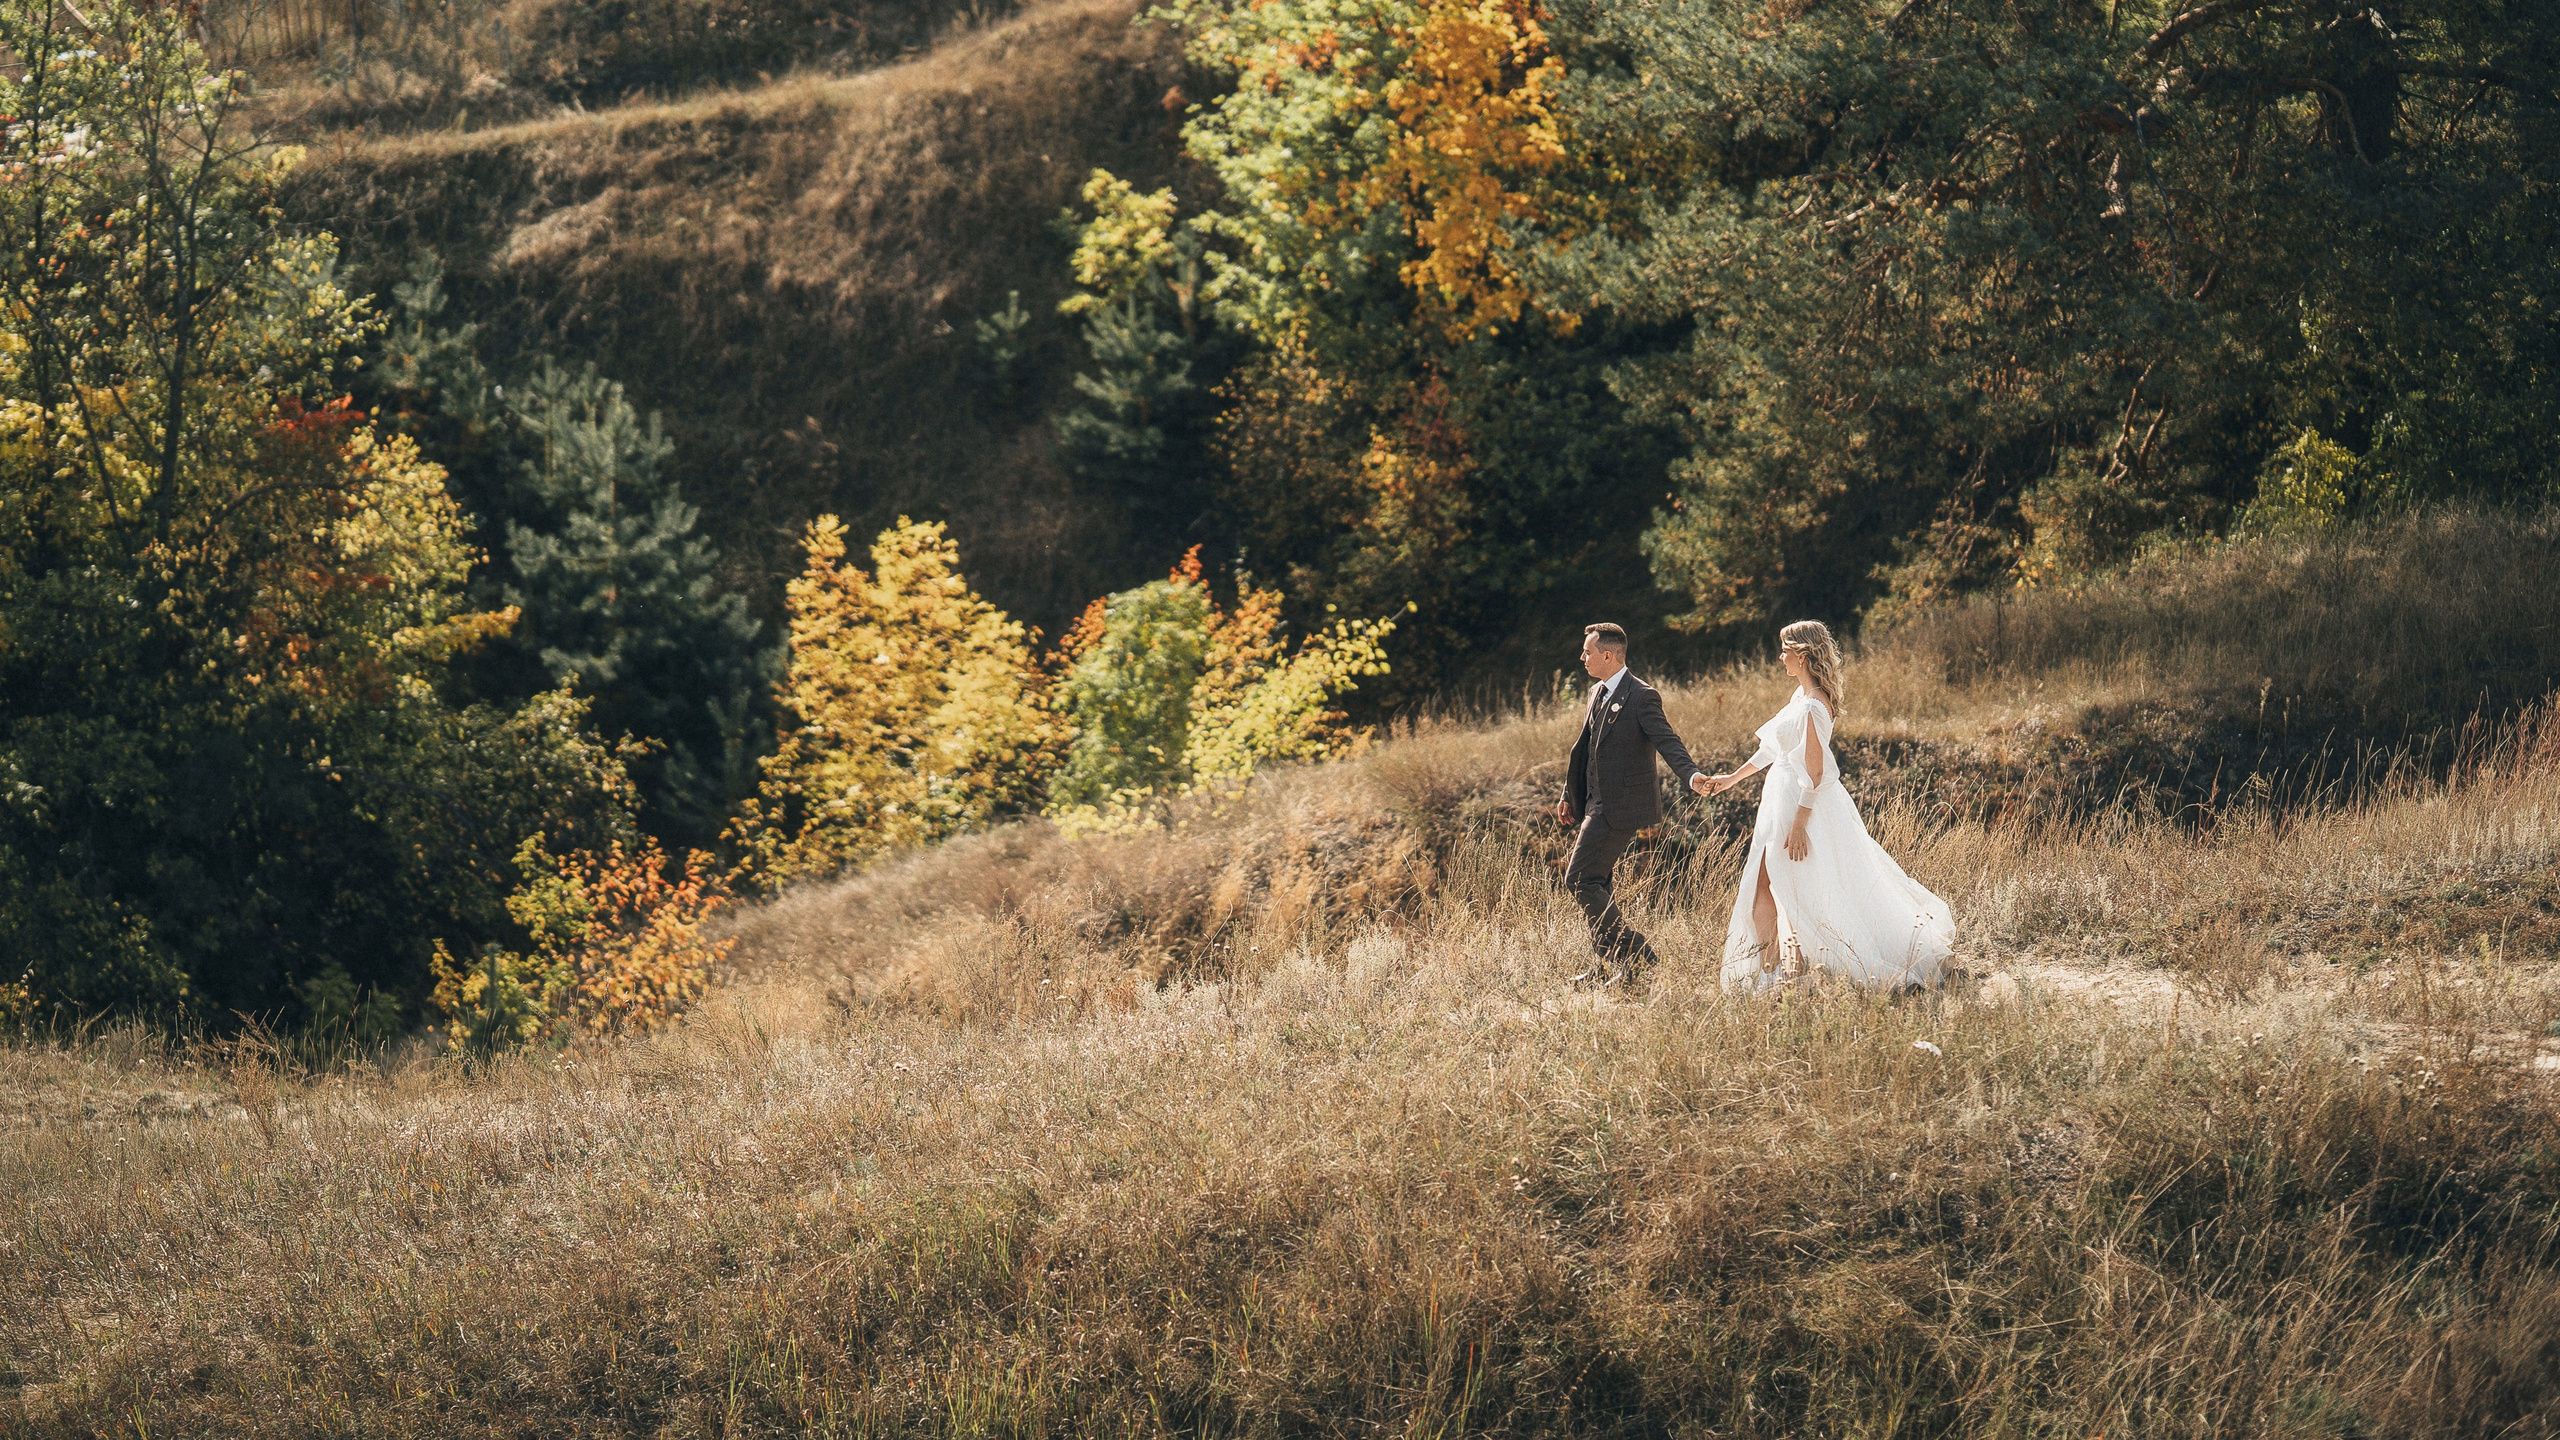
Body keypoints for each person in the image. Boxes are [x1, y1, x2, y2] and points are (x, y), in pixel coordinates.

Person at [1696, 620, 1954, 990]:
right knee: (1779, 884)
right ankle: (1783, 972)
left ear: (1802, 656)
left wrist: (1800, 824)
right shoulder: (1798, 699)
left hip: (1801, 805)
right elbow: (1772, 750)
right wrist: (1730, 779)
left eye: (1785, 649)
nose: (1780, 656)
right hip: (1779, 798)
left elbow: (1815, 773)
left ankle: (1780, 974)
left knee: (1783, 884)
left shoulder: (1814, 707)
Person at [1554, 622, 1705, 988]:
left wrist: (1692, 775)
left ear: (1608, 655)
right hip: (1593, 803)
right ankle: (1612, 967)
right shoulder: (1596, 692)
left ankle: (1636, 954)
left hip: (1620, 807)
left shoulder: (1642, 696)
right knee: (1599, 882)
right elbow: (1586, 749)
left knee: (1579, 879)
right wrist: (1568, 795)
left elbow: (1667, 740)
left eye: (1587, 652)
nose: (1582, 657)